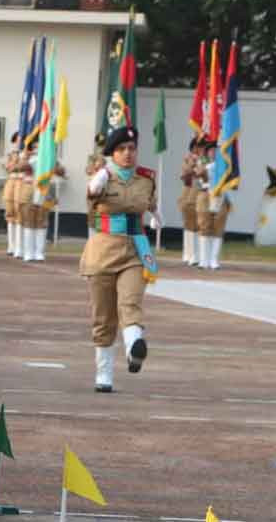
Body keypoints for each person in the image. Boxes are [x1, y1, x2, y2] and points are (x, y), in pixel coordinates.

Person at [80, 126, 157, 393]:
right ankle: (104, 374)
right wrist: (97, 182)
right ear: (113, 153)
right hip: (102, 250)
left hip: (135, 249)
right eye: (122, 149)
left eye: (132, 149)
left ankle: (135, 347)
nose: (128, 154)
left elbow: (150, 204)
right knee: (104, 317)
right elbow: (90, 198)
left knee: (130, 301)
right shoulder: (101, 177)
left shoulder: (147, 179)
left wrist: (157, 216)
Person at [194, 138, 230, 270]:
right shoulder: (202, 162)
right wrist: (206, 169)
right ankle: (204, 260)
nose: (213, 152)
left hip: (220, 195)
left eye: (216, 150)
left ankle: (214, 260)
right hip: (205, 194)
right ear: (207, 152)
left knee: (218, 227)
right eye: (211, 150)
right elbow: (198, 175)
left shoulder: (225, 164)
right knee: (204, 225)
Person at [177, 137, 201, 266]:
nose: (200, 149)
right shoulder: (188, 159)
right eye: (198, 146)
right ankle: (188, 253)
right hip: (188, 193)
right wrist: (193, 164)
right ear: (193, 148)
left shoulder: (204, 160)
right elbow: (184, 175)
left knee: (199, 225)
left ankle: (196, 255)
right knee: (189, 225)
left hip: (200, 194)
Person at [85, 134, 107, 238]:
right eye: (99, 143)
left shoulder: (111, 157)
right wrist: (95, 165)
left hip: (107, 192)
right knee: (93, 218)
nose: (101, 146)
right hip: (94, 193)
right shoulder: (92, 158)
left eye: (103, 143)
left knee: (104, 217)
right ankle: (92, 240)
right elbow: (88, 171)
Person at [2, 132, 20, 256]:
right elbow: (8, 167)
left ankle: (19, 246)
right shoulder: (11, 155)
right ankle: (11, 245)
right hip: (12, 182)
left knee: (21, 215)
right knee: (10, 213)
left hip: (22, 183)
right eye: (17, 140)